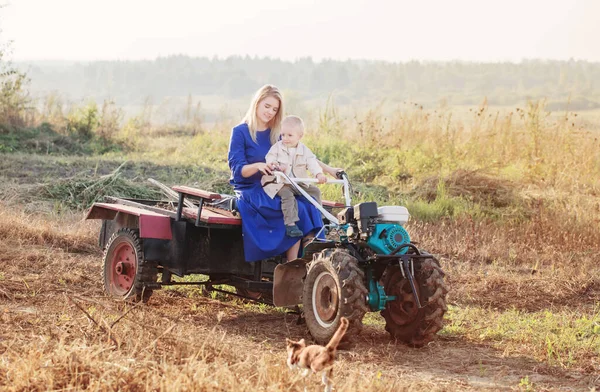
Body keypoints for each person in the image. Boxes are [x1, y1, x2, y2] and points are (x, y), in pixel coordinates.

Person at [227, 84, 341, 262]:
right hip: (253, 189)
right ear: (257, 102)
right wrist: (258, 165)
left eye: (275, 109)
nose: (270, 112)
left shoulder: (277, 132)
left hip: (279, 183)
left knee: (309, 203)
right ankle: (292, 264)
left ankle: (312, 259)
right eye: (267, 106)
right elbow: (237, 169)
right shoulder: (240, 132)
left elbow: (301, 154)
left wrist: (329, 170)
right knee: (297, 207)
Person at [261, 115, 327, 238]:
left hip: (298, 182)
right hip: (280, 182)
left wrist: (318, 174)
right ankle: (290, 224)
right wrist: (275, 166)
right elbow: (269, 159)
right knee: (287, 195)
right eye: (283, 135)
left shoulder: (304, 150)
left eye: (290, 135)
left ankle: (321, 217)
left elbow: (312, 162)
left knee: (315, 191)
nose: (285, 138)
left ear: (300, 136)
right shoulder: (277, 148)